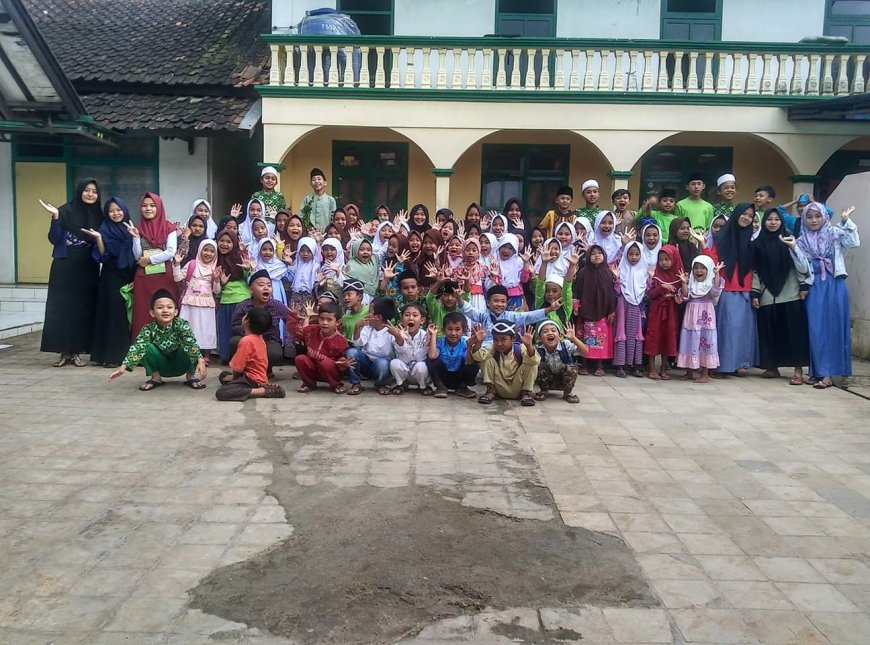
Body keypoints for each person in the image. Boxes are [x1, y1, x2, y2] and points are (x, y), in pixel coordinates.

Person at [39, 178, 104, 367]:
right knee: (61, 309)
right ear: (79, 191)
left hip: (88, 267)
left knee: (83, 310)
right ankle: (63, 351)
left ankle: (77, 352)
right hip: (65, 266)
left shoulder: (99, 216)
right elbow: (54, 238)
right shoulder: (65, 211)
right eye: (87, 190)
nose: (90, 194)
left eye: (94, 191)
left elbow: (103, 244)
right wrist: (55, 217)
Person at [797, 202, 860, 389]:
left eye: (818, 216)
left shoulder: (834, 233)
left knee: (833, 328)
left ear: (824, 217)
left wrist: (846, 222)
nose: (814, 220)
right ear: (804, 219)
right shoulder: (801, 240)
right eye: (809, 217)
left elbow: (854, 242)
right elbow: (801, 266)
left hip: (834, 284)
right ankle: (817, 371)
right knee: (815, 328)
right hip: (814, 286)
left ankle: (828, 374)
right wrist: (793, 248)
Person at [751, 208, 811, 385]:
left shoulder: (789, 240)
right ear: (764, 222)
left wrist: (803, 284)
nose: (773, 222)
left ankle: (798, 370)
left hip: (790, 292)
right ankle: (772, 366)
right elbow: (755, 270)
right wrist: (755, 292)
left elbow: (799, 263)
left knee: (794, 333)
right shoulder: (758, 244)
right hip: (768, 294)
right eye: (769, 219)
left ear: (781, 222)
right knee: (770, 331)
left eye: (776, 219)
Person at [109, 289, 207, 391]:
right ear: (152, 312)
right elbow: (137, 346)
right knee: (145, 347)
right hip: (161, 367)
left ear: (175, 312)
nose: (165, 310)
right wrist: (123, 367)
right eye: (160, 307)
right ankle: (156, 378)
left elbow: (190, 342)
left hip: (181, 364)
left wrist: (200, 361)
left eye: (169, 307)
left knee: (187, 345)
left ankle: (191, 376)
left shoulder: (181, 324)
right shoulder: (148, 329)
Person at [708, 202, 758, 376]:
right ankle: (721, 364)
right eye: (744, 214)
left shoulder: (750, 240)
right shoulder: (721, 238)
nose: (747, 218)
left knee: (743, 329)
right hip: (726, 288)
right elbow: (713, 260)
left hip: (745, 289)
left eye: (751, 216)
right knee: (727, 328)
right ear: (736, 214)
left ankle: (740, 362)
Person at [86, 196, 136, 368]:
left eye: (118, 209)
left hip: (130, 275)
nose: (115, 213)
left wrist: (134, 237)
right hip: (111, 276)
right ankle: (110, 356)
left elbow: (138, 254)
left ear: (124, 210)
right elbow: (103, 257)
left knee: (127, 316)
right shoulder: (105, 229)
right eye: (111, 211)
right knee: (112, 314)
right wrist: (99, 239)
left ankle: (126, 354)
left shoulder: (131, 229)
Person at [130, 193, 178, 339]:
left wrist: (150, 260)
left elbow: (171, 251)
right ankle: (143, 346)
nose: (148, 209)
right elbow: (137, 256)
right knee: (143, 310)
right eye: (144, 206)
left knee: (165, 308)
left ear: (159, 207)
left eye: (152, 205)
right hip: (143, 277)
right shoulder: (139, 228)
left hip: (164, 276)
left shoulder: (169, 227)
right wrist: (136, 238)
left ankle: (167, 344)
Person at [215, 307, 286, 400]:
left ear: (247, 321)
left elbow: (237, 368)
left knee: (221, 392)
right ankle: (259, 386)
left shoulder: (246, 341)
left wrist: (234, 379)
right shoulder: (260, 338)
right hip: (260, 377)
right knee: (223, 375)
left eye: (245, 315)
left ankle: (262, 391)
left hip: (252, 380)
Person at [230, 270, 293, 373]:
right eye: (261, 285)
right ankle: (242, 370)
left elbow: (290, 322)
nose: (266, 288)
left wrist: (295, 318)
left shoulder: (277, 305)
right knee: (235, 342)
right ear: (251, 289)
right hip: (248, 340)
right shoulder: (243, 306)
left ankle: (267, 371)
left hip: (270, 341)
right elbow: (234, 327)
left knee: (275, 353)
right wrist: (246, 329)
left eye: (269, 285)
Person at [460, 284, 559, 348]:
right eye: (496, 301)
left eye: (503, 301)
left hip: (507, 349)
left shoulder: (511, 316)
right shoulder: (483, 315)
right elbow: (469, 310)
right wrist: (458, 299)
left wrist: (549, 309)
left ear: (507, 303)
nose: (499, 304)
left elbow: (529, 316)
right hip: (487, 348)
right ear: (488, 303)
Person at [676, 256, 724, 383]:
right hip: (691, 319)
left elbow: (715, 292)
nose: (699, 270)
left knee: (706, 342)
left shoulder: (710, 284)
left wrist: (716, 274)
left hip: (705, 319)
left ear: (709, 269)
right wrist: (684, 283)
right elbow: (685, 295)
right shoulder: (692, 283)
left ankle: (705, 373)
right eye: (696, 268)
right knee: (689, 341)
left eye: (703, 268)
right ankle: (689, 371)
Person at [289, 300, 352, 393]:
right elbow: (296, 331)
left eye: (329, 320)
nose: (325, 323)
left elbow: (342, 359)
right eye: (322, 319)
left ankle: (336, 385)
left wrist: (344, 364)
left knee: (326, 363)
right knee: (300, 359)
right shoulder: (311, 330)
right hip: (314, 369)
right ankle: (309, 383)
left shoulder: (341, 340)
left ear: (337, 322)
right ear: (318, 319)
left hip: (330, 372)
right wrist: (293, 318)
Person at [573, 244, 617, 376]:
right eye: (593, 253)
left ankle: (600, 365)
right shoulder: (583, 272)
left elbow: (612, 294)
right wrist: (576, 304)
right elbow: (577, 290)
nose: (596, 256)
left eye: (599, 253)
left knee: (600, 340)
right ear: (588, 256)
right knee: (585, 339)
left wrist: (612, 311)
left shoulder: (608, 273)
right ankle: (584, 364)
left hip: (603, 312)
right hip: (586, 312)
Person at [472, 321, 540, 407]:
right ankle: (491, 391)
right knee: (485, 359)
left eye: (503, 339)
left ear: (513, 338)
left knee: (532, 362)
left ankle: (526, 393)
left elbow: (535, 361)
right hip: (499, 387)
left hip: (519, 388)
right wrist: (479, 342)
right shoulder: (493, 348)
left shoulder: (520, 348)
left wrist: (529, 346)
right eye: (495, 339)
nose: (499, 343)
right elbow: (478, 357)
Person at [173, 239, 220, 361]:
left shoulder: (215, 269)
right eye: (205, 250)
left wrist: (216, 279)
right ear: (199, 250)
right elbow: (177, 278)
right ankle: (186, 353)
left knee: (206, 328)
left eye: (212, 251)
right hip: (190, 303)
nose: (208, 253)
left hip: (206, 304)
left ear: (216, 254)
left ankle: (206, 355)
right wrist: (177, 264)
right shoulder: (192, 264)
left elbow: (216, 291)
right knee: (188, 326)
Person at [645, 246, 682, 380]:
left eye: (667, 259)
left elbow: (682, 295)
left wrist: (679, 296)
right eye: (661, 260)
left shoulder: (679, 277)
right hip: (656, 311)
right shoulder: (655, 276)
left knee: (668, 337)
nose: (664, 263)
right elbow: (650, 294)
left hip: (671, 312)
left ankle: (664, 368)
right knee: (653, 337)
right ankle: (651, 367)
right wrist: (661, 288)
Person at [347, 296, 396, 395]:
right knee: (351, 352)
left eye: (370, 312)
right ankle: (356, 383)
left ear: (378, 317)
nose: (367, 315)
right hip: (366, 364)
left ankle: (381, 383)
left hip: (382, 368)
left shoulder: (391, 331)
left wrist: (398, 335)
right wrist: (357, 327)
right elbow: (357, 343)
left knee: (382, 363)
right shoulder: (367, 328)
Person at [215, 229, 250, 363]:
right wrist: (222, 283)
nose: (224, 244)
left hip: (241, 300)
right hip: (225, 300)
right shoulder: (215, 258)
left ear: (234, 243)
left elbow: (249, 279)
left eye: (229, 242)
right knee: (224, 331)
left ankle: (242, 358)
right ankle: (226, 357)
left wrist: (247, 269)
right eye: (222, 241)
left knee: (241, 331)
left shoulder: (240, 257)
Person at [426, 311, 478, 398]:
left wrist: (469, 346)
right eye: (449, 329)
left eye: (457, 329)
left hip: (459, 377)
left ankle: (462, 388)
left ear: (463, 331)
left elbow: (469, 362)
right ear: (444, 330)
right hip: (443, 378)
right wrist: (434, 335)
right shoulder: (440, 342)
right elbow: (432, 356)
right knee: (431, 360)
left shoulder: (465, 342)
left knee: (475, 363)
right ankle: (441, 387)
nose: (453, 333)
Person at [614, 241, 647, 378]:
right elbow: (616, 291)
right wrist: (616, 278)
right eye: (630, 254)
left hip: (637, 307)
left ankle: (635, 365)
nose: (633, 257)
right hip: (623, 305)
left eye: (637, 254)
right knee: (622, 332)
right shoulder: (621, 269)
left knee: (636, 335)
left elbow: (647, 290)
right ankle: (620, 366)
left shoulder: (644, 271)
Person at [534, 320, 587, 404]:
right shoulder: (538, 348)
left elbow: (585, 352)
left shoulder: (565, 345)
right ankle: (543, 391)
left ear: (560, 336)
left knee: (571, 368)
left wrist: (574, 339)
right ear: (540, 337)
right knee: (537, 365)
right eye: (545, 331)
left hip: (564, 381)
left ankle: (567, 393)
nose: (550, 333)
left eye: (553, 330)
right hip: (547, 380)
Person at [388, 302, 431, 395]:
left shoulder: (425, 335)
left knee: (421, 366)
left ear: (422, 320)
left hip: (419, 372)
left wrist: (427, 342)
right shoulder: (397, 334)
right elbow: (405, 355)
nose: (411, 318)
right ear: (401, 319)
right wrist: (401, 338)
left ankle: (423, 386)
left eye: (415, 315)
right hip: (404, 371)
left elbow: (419, 359)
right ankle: (401, 384)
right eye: (407, 315)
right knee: (394, 363)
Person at [346, 239, 379, 305]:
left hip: (375, 300)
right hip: (358, 302)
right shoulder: (351, 266)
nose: (365, 252)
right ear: (355, 251)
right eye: (361, 249)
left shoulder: (374, 262)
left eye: (369, 250)